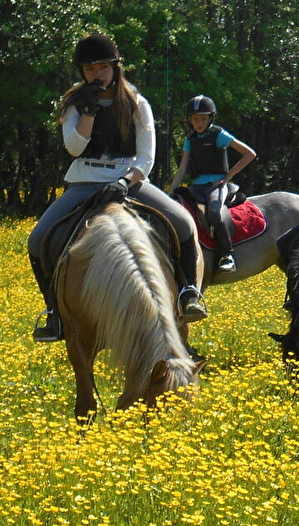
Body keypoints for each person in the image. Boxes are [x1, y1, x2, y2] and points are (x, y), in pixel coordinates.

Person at [28, 33, 208, 342]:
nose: (97, 74)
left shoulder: (137, 103)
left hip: (130, 180)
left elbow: (147, 154)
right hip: (85, 181)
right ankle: (54, 313)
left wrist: (125, 182)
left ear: (115, 67)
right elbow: (73, 148)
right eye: (89, 69)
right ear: (82, 73)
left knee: (182, 222)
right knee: (37, 238)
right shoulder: (74, 103)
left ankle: (189, 292)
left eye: (102, 67)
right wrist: (88, 111)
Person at [167, 95, 256, 273]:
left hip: (217, 186)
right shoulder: (189, 139)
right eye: (195, 119)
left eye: (203, 119)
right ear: (190, 121)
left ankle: (227, 255)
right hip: (196, 187)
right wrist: (169, 193)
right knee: (176, 209)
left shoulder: (219, 135)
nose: (199, 123)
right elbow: (183, 168)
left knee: (214, 213)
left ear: (210, 119)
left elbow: (249, 154)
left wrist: (228, 176)